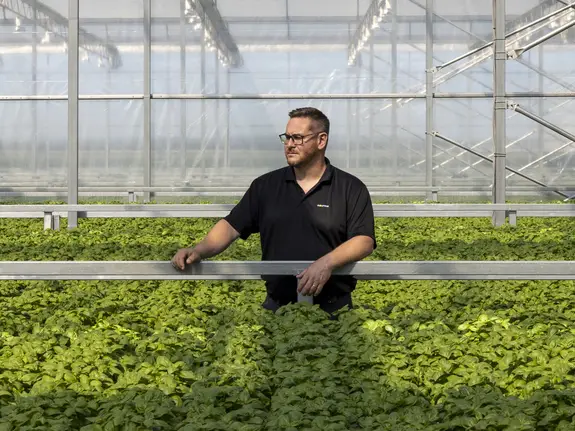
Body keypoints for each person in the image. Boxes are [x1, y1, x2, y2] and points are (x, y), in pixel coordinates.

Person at [171, 107, 376, 316]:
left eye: (298, 138)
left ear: (321, 140)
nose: (289, 145)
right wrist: (198, 250)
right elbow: (231, 226)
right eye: (287, 137)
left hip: (335, 310)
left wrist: (326, 263)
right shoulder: (266, 186)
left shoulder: (349, 188)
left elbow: (363, 240)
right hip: (278, 308)